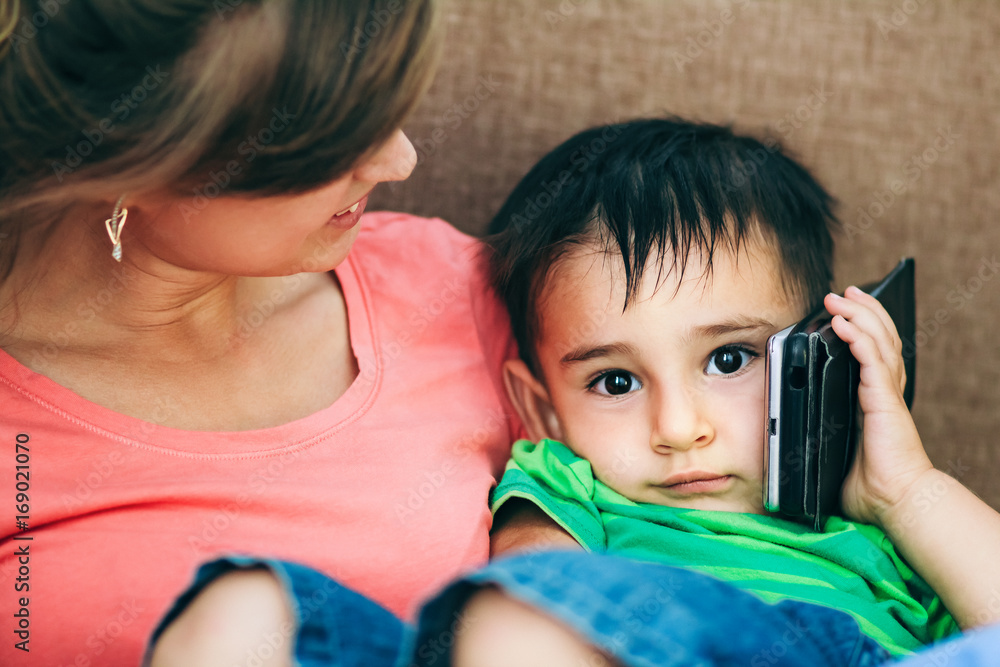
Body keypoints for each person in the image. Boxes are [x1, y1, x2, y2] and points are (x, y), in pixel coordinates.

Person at [0, 1, 524, 664]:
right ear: (127, 158)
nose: (400, 160)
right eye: (338, 139)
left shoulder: (458, 288)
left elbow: (634, 503)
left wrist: (535, 542)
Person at [405, 118, 1000, 665]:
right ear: (543, 410)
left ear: (823, 357)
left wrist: (906, 491)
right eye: (616, 382)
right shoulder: (571, 486)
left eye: (728, 359)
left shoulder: (896, 534)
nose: (678, 429)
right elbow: (531, 603)